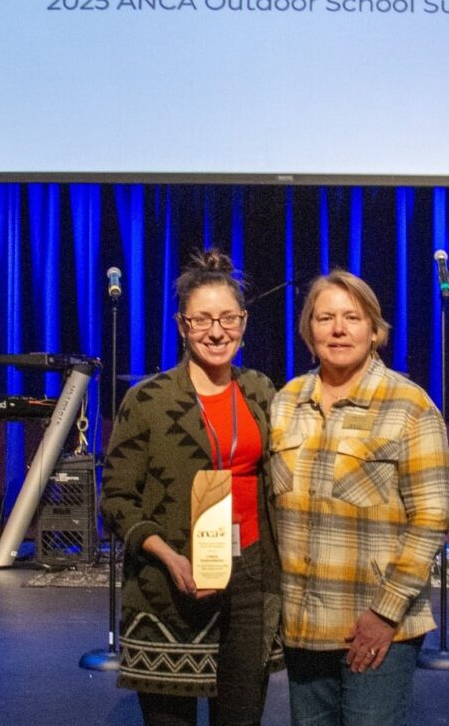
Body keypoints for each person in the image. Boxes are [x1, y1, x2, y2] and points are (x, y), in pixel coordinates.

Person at [100, 249, 282, 726]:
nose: (216, 332)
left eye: (227, 318)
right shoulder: (148, 400)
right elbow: (116, 500)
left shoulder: (261, 390)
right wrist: (168, 556)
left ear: (243, 322)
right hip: (170, 582)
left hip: (251, 576)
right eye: (202, 320)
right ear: (182, 326)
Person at [269, 269, 449, 726]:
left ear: (375, 331)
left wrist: (385, 614)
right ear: (308, 331)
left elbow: (432, 517)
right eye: (325, 317)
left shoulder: (410, 406)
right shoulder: (286, 402)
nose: (338, 329)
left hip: (375, 629)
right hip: (303, 626)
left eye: (352, 317)